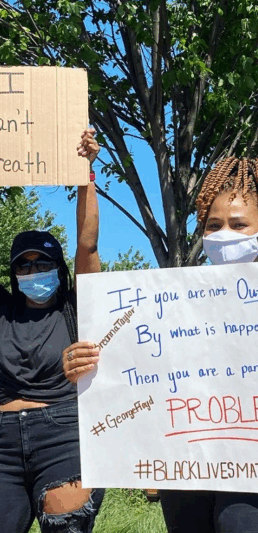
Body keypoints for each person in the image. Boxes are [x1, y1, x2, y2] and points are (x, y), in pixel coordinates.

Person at [64, 156, 258, 532]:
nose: (224, 233)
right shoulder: (166, 306)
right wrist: (84, 365)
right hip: (187, 473)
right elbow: (134, 373)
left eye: (238, 224)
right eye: (214, 225)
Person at [0, 128, 104, 533]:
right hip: (2, 444)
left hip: (64, 437)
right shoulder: (4, 310)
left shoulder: (75, 308)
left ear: (59, 270)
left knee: (66, 524)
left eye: (41, 263)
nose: (32, 271)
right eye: (23, 265)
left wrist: (85, 175)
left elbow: (88, 245)